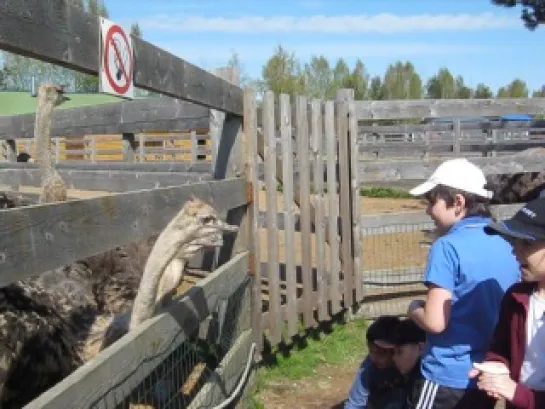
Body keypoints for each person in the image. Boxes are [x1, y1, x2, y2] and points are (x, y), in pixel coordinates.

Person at [405, 158, 521, 408]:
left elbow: (436, 323)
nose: (428, 211)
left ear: (458, 202)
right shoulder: (506, 241)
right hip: (486, 374)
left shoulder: (446, 247)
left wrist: (414, 308)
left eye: (432, 201)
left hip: (446, 375)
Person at [469, 196, 545, 409]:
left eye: (528, 243)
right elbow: (501, 346)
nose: (515, 250)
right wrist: (497, 364)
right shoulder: (516, 297)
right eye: (515, 242)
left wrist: (516, 393)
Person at [345, 315, 405, 409]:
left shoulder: (411, 366)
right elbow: (355, 404)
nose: (373, 358)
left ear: (396, 349)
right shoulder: (369, 368)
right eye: (371, 351)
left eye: (381, 353)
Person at [390, 318, 427, 409]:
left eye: (399, 352)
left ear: (421, 348)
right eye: (393, 353)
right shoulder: (412, 374)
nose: (394, 358)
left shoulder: (424, 383)